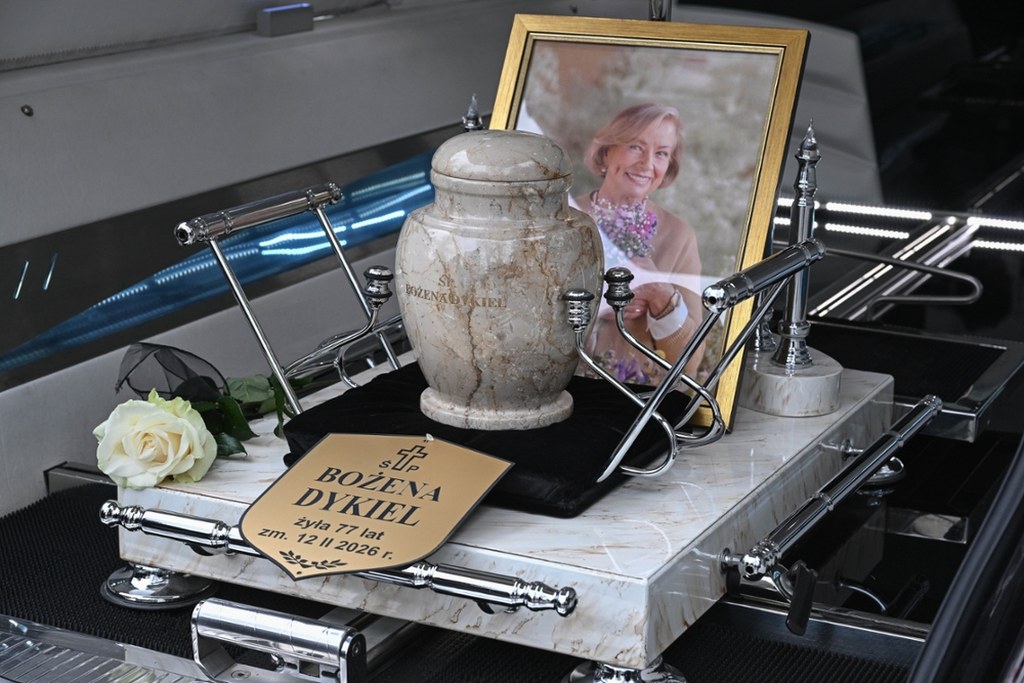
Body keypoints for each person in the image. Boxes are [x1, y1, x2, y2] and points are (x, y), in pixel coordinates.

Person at [574, 103, 705, 385]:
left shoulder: (679, 236)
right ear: (607, 151)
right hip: (557, 391)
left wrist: (659, 293)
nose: (647, 164)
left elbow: (691, 361)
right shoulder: (563, 217)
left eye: (661, 153)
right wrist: (600, 303)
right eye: (635, 147)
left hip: (634, 400)